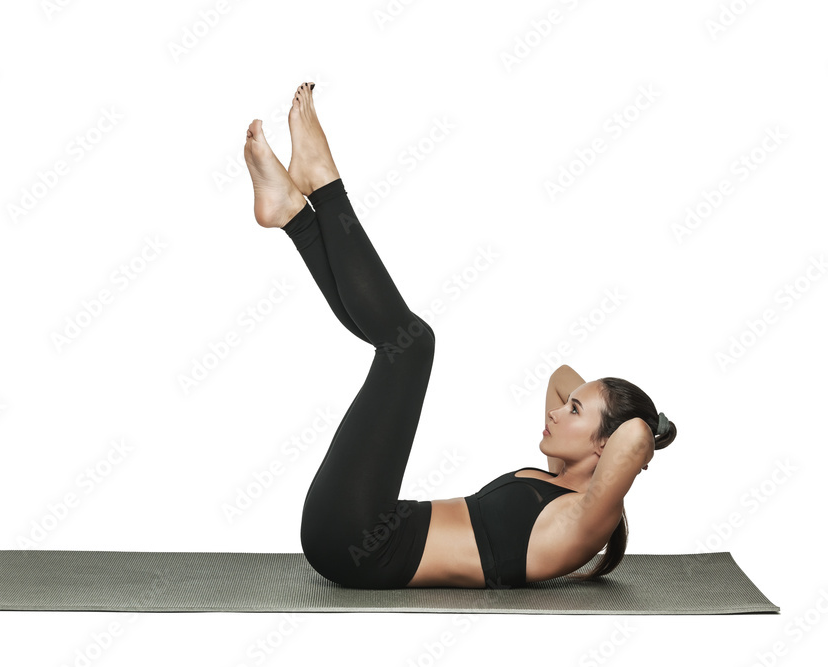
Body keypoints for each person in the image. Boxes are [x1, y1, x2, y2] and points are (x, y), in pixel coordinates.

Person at [242, 82, 677, 589]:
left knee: (411, 345)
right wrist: (596, 415)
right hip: (363, 525)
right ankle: (295, 215)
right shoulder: (562, 474)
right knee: (399, 344)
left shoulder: (583, 521)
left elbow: (633, 436)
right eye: (569, 407)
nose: (558, 410)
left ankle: (322, 185)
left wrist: (650, 432)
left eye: (575, 412)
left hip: (358, 544)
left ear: (606, 445)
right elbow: (562, 377)